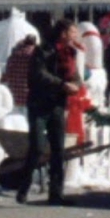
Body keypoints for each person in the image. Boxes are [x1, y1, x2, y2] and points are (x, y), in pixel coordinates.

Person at [16, 19, 83, 206]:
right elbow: (39, 75)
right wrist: (62, 85)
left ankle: (56, 193)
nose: (75, 35)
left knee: (58, 150)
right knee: (37, 148)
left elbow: (75, 76)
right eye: (73, 32)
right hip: (39, 104)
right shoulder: (43, 50)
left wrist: (76, 85)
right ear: (63, 33)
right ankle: (24, 186)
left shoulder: (71, 53)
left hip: (57, 105)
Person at [4, 34, 37, 111]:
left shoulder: (13, 55)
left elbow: (8, 72)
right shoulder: (34, 55)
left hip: (14, 95)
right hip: (28, 95)